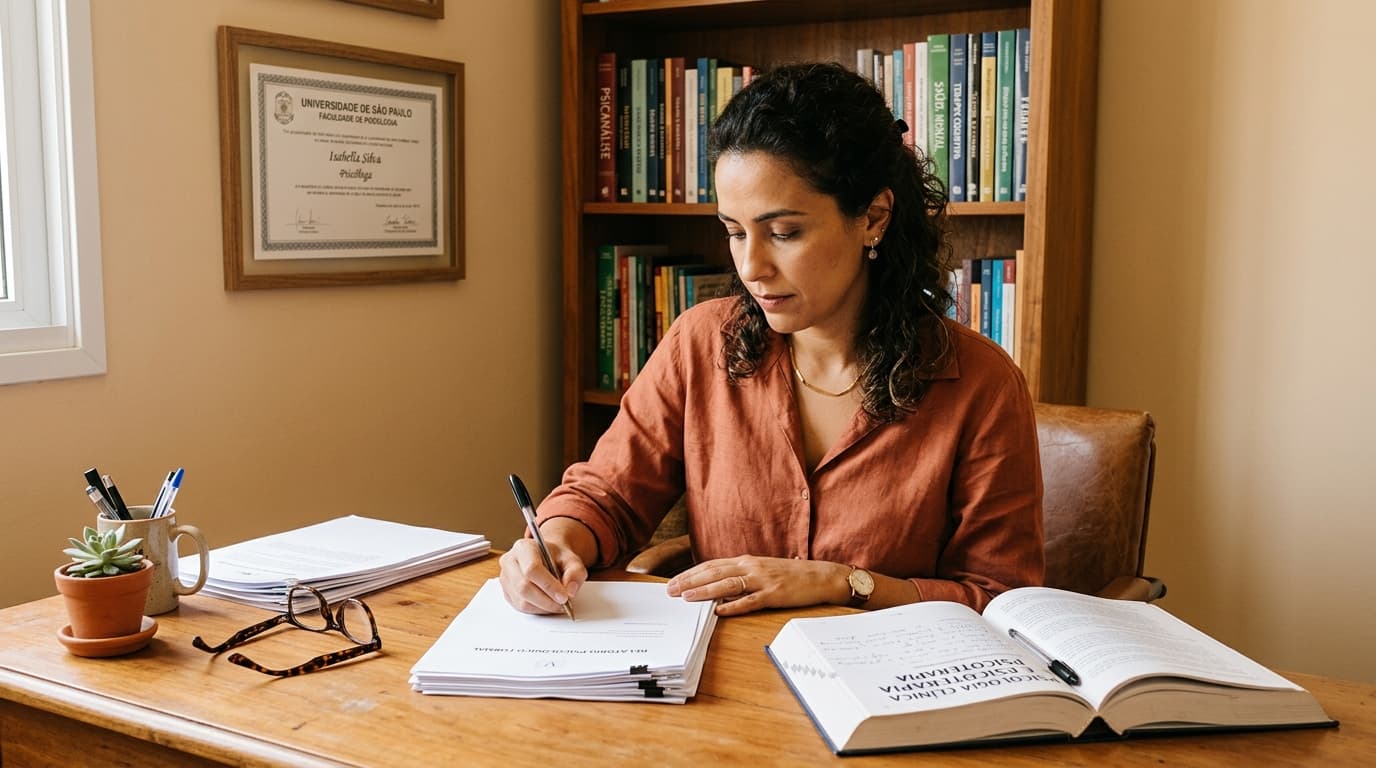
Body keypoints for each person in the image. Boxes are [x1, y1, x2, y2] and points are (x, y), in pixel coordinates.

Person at [500, 62, 1042, 617]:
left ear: (873, 218)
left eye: (784, 232)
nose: (750, 267)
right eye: (735, 232)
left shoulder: (979, 383)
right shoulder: (701, 342)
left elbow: (1000, 600)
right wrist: (556, 540)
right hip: (725, 664)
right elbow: (606, 495)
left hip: (890, 669)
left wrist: (842, 583)